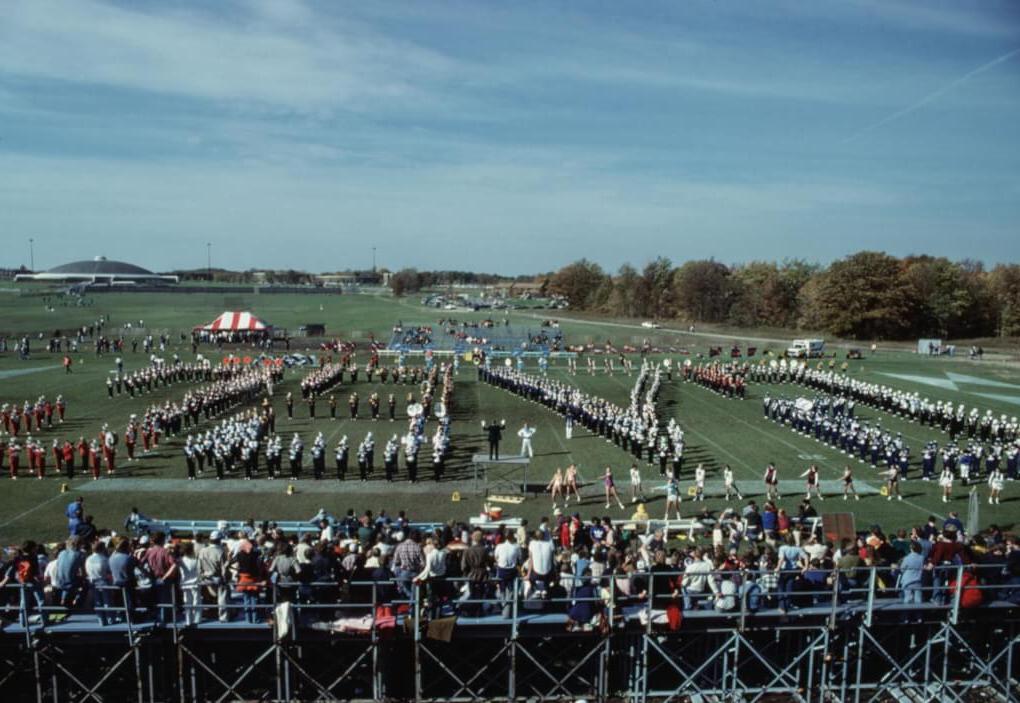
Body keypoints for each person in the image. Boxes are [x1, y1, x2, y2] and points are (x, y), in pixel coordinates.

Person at [85, 541, 113, 626]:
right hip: (103, 581)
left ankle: (101, 620)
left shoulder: (88, 559)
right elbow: (108, 571)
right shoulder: (104, 559)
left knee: (97, 602)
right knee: (107, 602)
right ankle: (110, 619)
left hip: (92, 581)